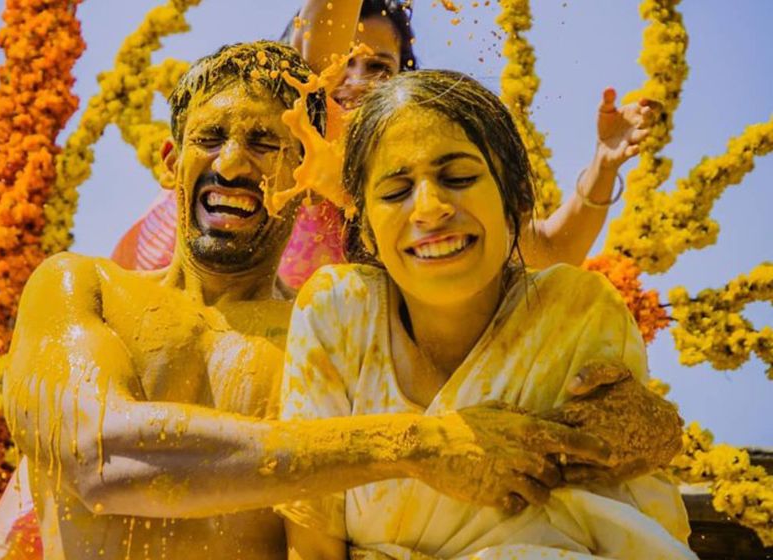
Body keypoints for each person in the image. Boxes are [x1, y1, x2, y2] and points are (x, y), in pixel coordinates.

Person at [0, 42, 637, 560]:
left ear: (306, 174)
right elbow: (97, 457)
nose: (233, 163)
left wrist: (626, 420)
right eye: (210, 139)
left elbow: (503, 296)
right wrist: (414, 441)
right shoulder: (81, 287)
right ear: (171, 162)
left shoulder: (339, 338)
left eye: (265, 144)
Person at [277, 70, 694, 559]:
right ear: (365, 229)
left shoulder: (575, 310)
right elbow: (312, 545)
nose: (429, 209)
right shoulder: (337, 313)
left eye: (458, 177)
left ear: (516, 200)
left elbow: (633, 522)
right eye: (395, 192)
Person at [114, 0, 655, 290]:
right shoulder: (297, 117)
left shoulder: (404, 178)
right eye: (346, 58)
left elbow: (548, 254)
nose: (356, 76)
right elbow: (316, 53)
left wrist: (603, 167)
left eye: (379, 66)